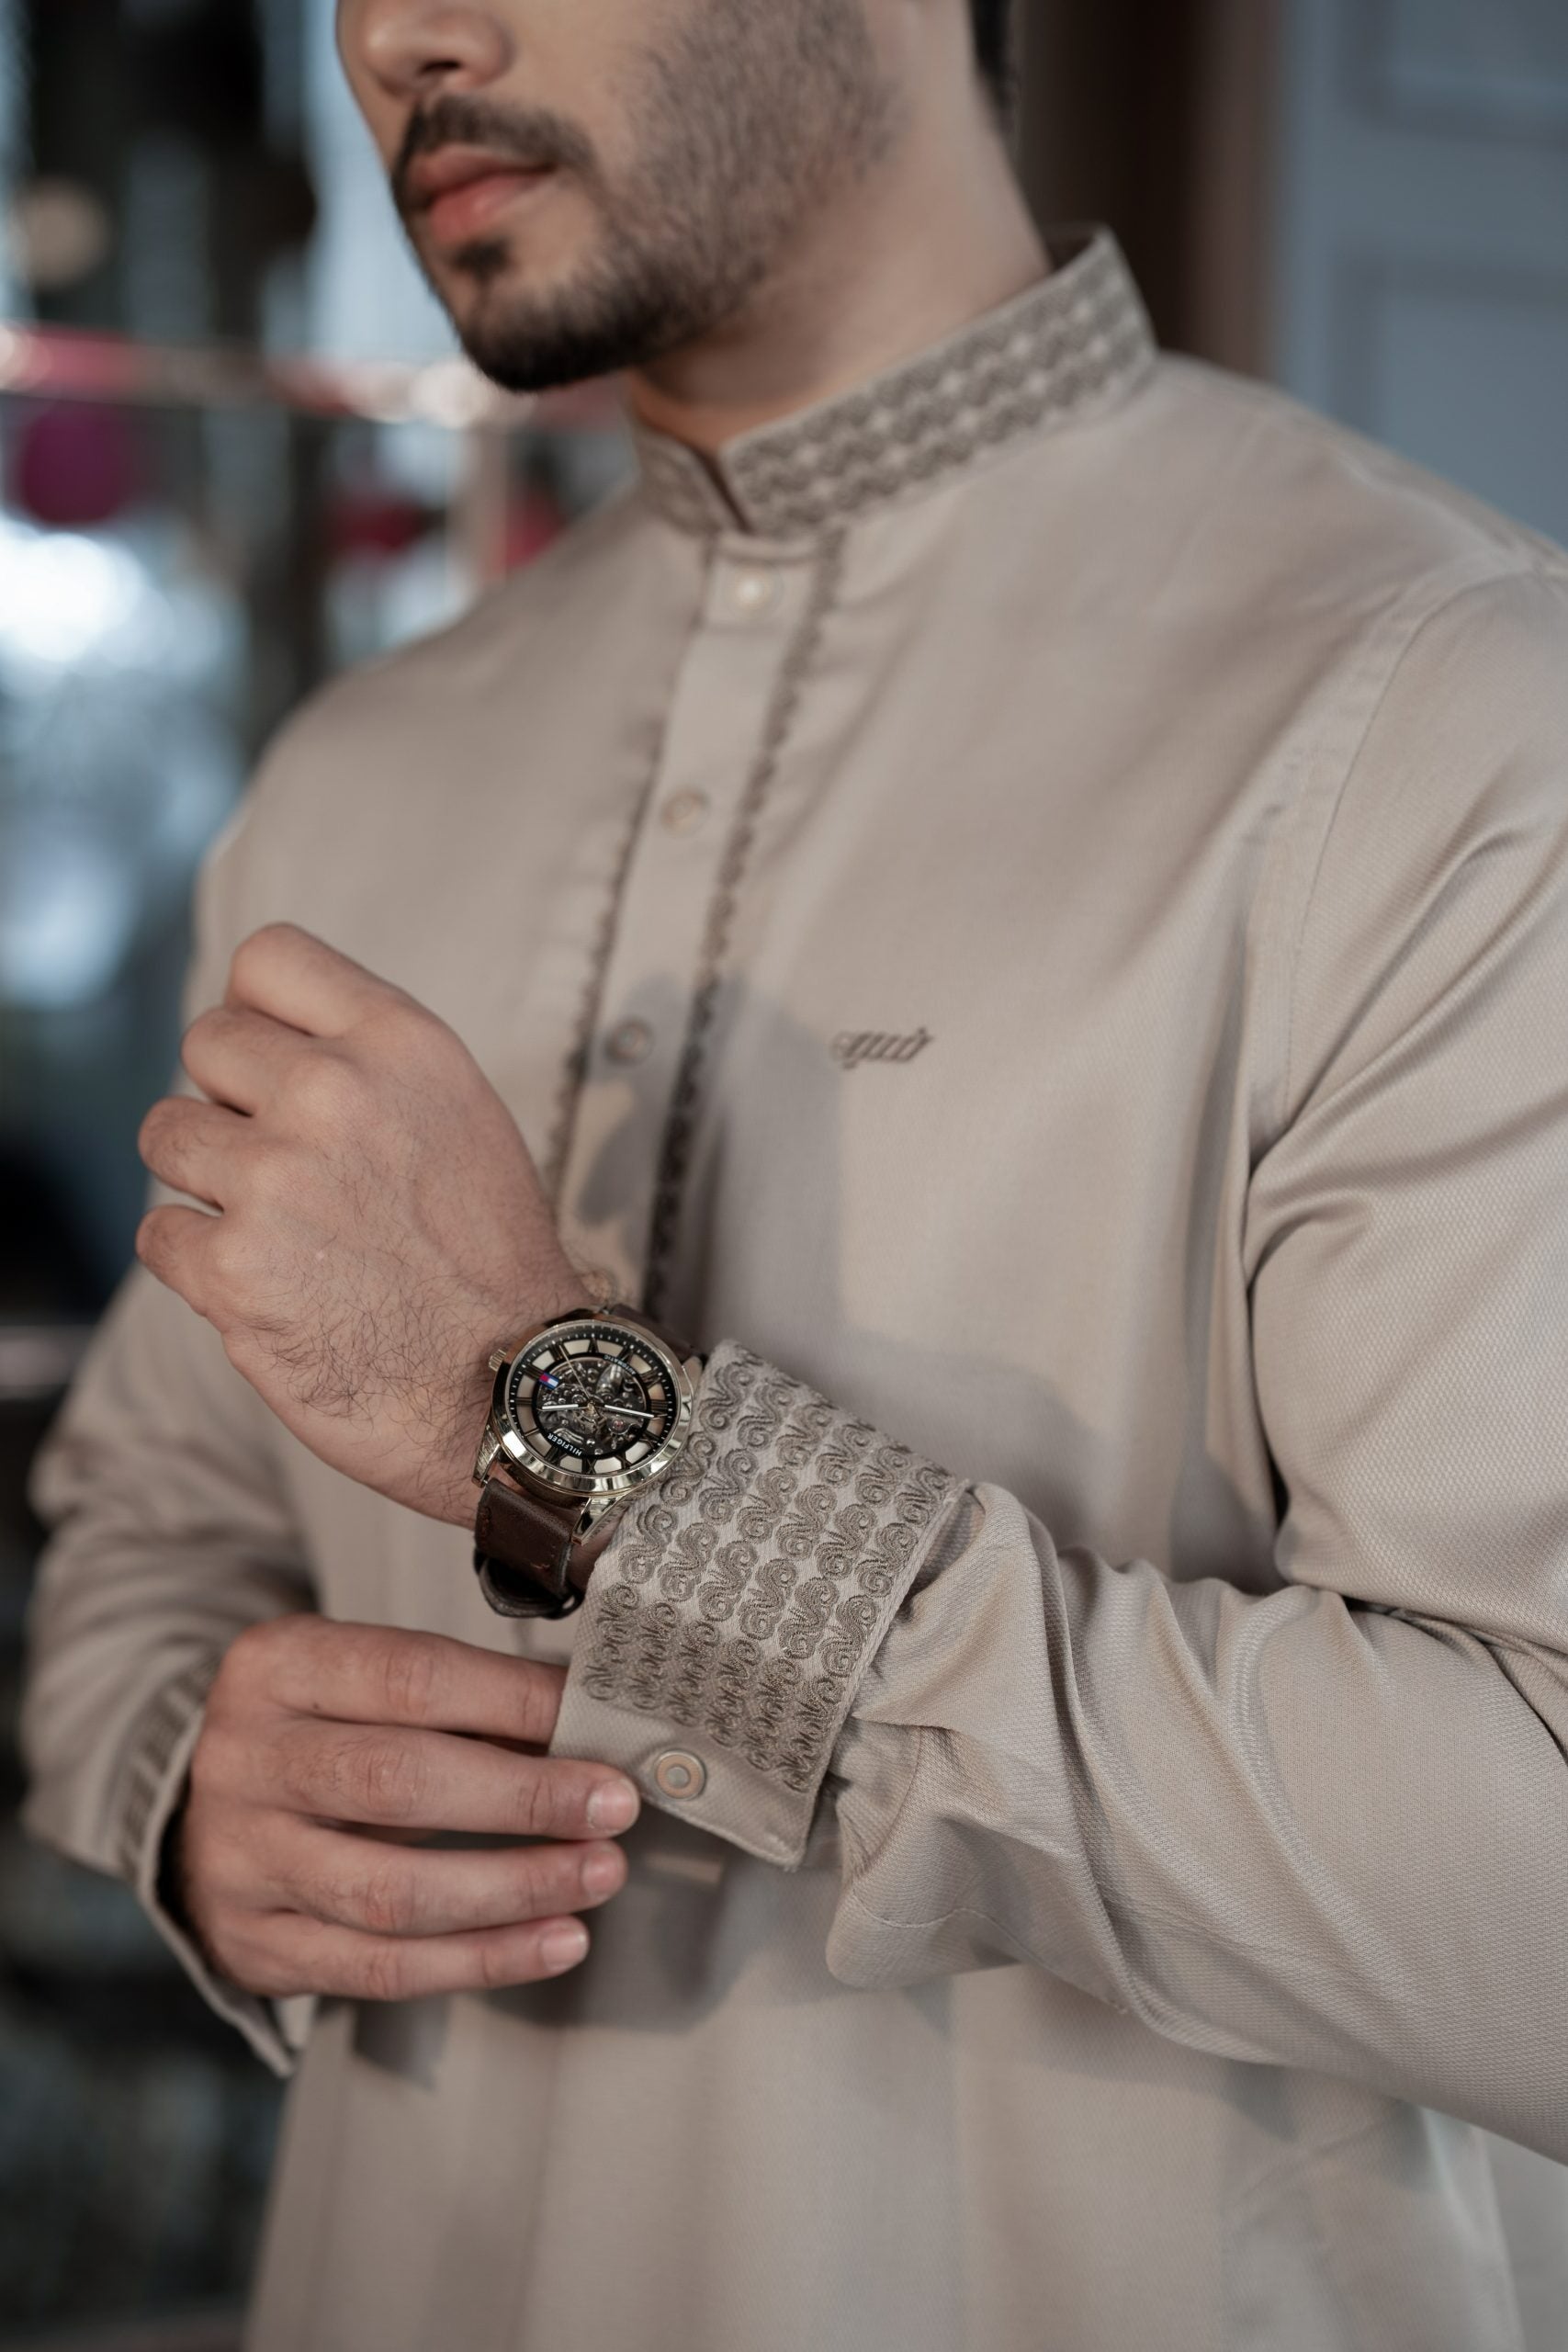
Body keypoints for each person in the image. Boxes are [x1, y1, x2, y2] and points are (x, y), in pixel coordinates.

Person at [21, 1, 1568, 2346]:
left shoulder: (1446, 720)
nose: (396, 42)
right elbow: (144, 1531)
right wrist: (190, 1794)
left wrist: (578, 1438)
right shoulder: (353, 781)